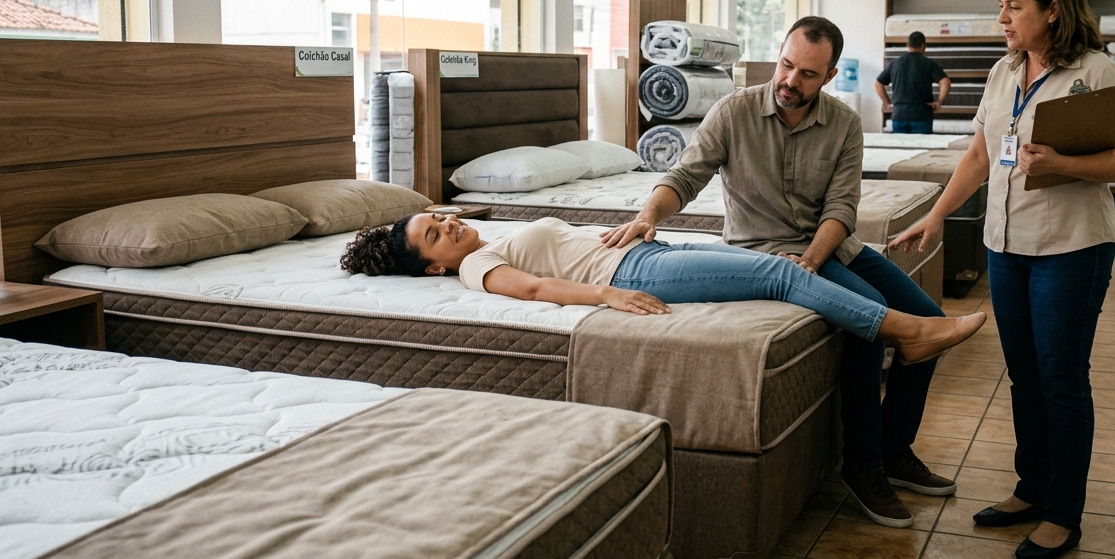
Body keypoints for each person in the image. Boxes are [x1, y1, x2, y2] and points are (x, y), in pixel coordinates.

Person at [600, 16, 956, 530]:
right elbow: (685, 176)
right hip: (762, 252)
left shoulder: (843, 123)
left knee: (929, 320)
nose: (791, 81)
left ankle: (895, 450)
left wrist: (812, 261)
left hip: (831, 248)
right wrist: (648, 215)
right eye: (786, 65)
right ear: (778, 55)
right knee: (870, 325)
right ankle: (863, 467)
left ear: (829, 76)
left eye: (808, 74)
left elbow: (841, 208)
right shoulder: (734, 111)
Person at [891, 0, 1115, 559]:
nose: (1001, 17)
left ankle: (1063, 512)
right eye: (1000, 4)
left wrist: (1064, 166)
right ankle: (1031, 490)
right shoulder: (1004, 73)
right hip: (1006, 248)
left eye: (1013, 6)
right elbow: (979, 156)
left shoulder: (1097, 73)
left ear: (1052, 10)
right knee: (1025, 377)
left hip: (1071, 250)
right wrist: (936, 213)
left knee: (1061, 380)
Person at [340, 214, 985, 365]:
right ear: (430, 267)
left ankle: (902, 328)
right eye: (435, 235)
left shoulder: (488, 236)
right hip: (633, 276)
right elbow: (535, 289)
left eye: (439, 217)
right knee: (781, 273)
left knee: (775, 264)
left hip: (649, 252)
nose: (449, 223)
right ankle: (908, 331)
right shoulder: (476, 269)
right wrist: (607, 295)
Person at [875, 31, 951, 134]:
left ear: (908, 45)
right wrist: (939, 101)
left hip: (899, 114)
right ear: (923, 46)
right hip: (922, 115)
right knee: (922, 149)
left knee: (901, 148)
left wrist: (887, 103)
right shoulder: (928, 63)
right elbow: (945, 82)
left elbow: (878, 84)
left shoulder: (894, 63)